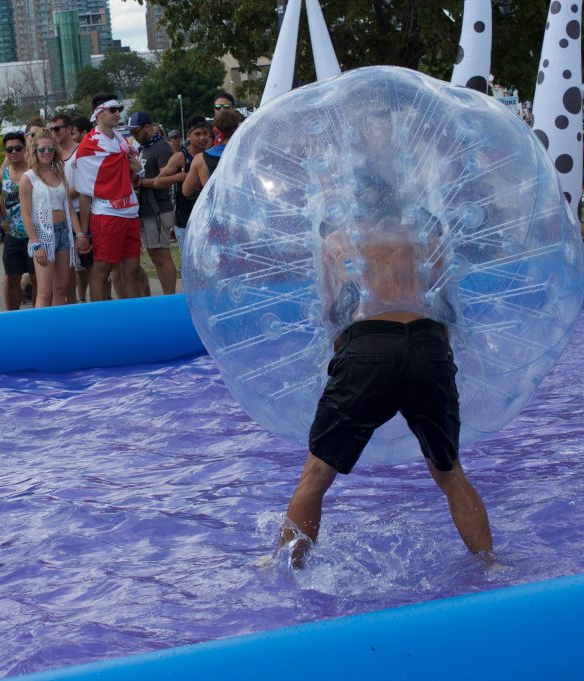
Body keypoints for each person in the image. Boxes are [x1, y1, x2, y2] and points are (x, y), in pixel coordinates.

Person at [277, 177, 492, 569]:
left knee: (317, 472)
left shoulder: (337, 242)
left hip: (369, 344)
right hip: (428, 346)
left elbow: (334, 317)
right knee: (450, 471)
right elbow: (446, 309)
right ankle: (491, 564)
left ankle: (284, 569)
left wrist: (346, 367)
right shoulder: (426, 237)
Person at [74, 93, 145, 302]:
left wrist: (139, 170)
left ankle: (133, 317)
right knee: (102, 270)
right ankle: (99, 320)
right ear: (99, 113)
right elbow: (85, 192)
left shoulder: (122, 140)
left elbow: (131, 176)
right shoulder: (89, 146)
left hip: (130, 211)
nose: (117, 114)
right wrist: (83, 233)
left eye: (119, 110)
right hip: (106, 214)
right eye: (113, 110)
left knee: (132, 270)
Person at [20, 128, 88, 307]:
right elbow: (26, 215)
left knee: (61, 288)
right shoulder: (28, 178)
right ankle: (39, 331)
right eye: (42, 149)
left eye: (50, 149)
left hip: (64, 233)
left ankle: (59, 330)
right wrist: (36, 244)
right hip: (43, 235)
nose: (46, 153)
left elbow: (70, 210)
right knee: (44, 291)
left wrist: (80, 234)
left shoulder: (59, 173)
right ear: (35, 150)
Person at [129, 111, 178, 295]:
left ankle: (169, 297)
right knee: (155, 255)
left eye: (136, 131)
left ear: (148, 127)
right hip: (147, 208)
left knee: (162, 255)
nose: (134, 136)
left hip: (159, 208)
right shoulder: (144, 148)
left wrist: (141, 178)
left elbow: (166, 178)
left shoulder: (161, 147)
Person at [0, 131, 36, 310]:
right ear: (5, 153)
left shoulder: (34, 171)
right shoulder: (3, 175)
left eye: (18, 148)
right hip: (13, 235)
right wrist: (1, 219)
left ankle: (38, 314)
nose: (14, 152)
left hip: (34, 235)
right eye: (9, 149)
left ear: (25, 149)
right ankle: (14, 315)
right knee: (12, 277)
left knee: (36, 276)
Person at [154, 116, 213, 254]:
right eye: (197, 134)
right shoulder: (181, 157)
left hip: (207, 218)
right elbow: (158, 182)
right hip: (185, 219)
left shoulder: (211, 154)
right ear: (188, 136)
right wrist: (179, 177)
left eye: (205, 134)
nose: (202, 138)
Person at [50, 113, 90, 303]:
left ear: (68, 129)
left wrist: (62, 194)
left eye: (57, 128)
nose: (54, 133)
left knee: (90, 261)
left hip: (82, 211)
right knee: (69, 266)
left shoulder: (81, 150)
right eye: (51, 129)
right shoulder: (53, 155)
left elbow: (86, 185)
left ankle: (101, 300)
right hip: (63, 214)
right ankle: (74, 303)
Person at [183, 109, 244, 200]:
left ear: (215, 131)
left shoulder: (200, 159)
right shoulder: (246, 153)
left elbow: (186, 191)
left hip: (216, 211)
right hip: (244, 209)